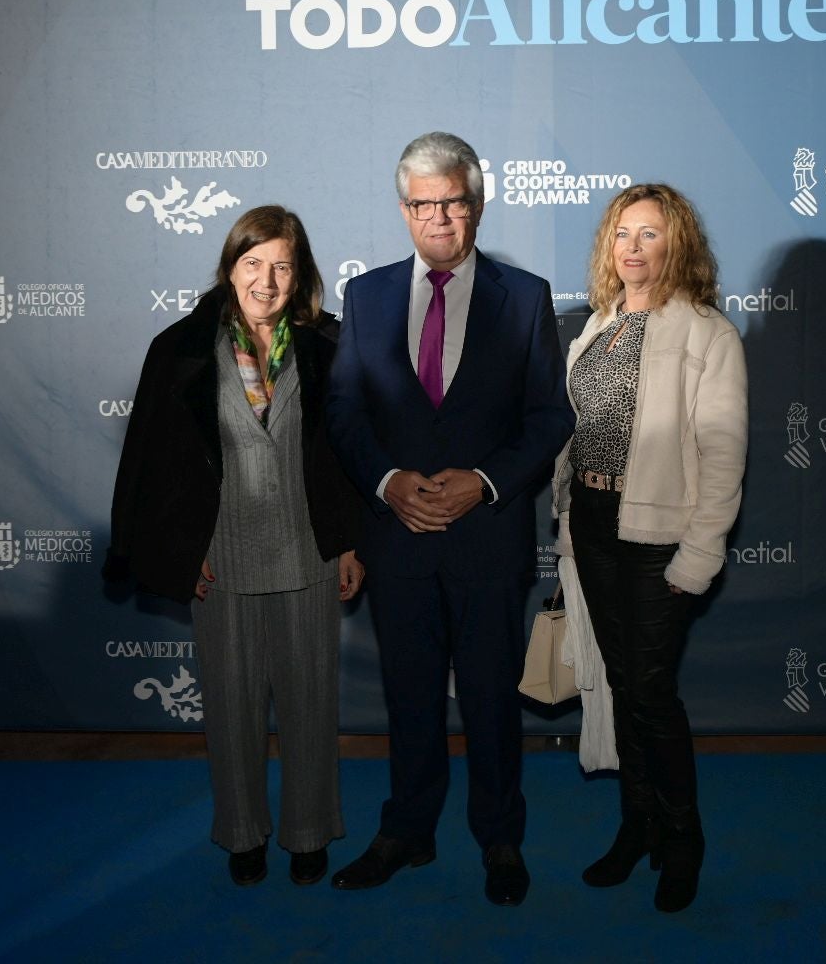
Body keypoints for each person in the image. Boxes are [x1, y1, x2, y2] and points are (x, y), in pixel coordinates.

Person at [325, 131, 574, 906]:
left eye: (453, 201)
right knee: (409, 694)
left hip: (488, 537)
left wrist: (488, 482)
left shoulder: (525, 296)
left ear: (478, 204)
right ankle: (408, 831)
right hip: (398, 537)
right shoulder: (363, 297)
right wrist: (389, 480)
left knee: (495, 698)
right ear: (403, 211)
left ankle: (501, 838)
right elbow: (343, 409)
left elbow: (548, 416)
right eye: (422, 204)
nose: (439, 218)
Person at [103, 204, 365, 889]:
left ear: (300, 274)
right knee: (230, 706)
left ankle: (310, 833)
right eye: (255, 264)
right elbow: (153, 464)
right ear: (230, 267)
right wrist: (177, 548)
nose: (268, 280)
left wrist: (349, 544)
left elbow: (347, 459)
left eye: (283, 266)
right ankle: (243, 833)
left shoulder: (328, 346)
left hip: (308, 552)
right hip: (221, 555)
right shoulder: (181, 350)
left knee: (312, 704)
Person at [551, 183, 747, 913]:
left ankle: (684, 839)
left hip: (660, 539)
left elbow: (723, 454)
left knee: (654, 694)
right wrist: (568, 518)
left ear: (678, 245)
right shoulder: (596, 326)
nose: (633, 248)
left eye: (650, 235)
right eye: (622, 234)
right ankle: (637, 827)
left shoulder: (706, 333)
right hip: (595, 526)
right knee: (625, 690)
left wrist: (699, 555)